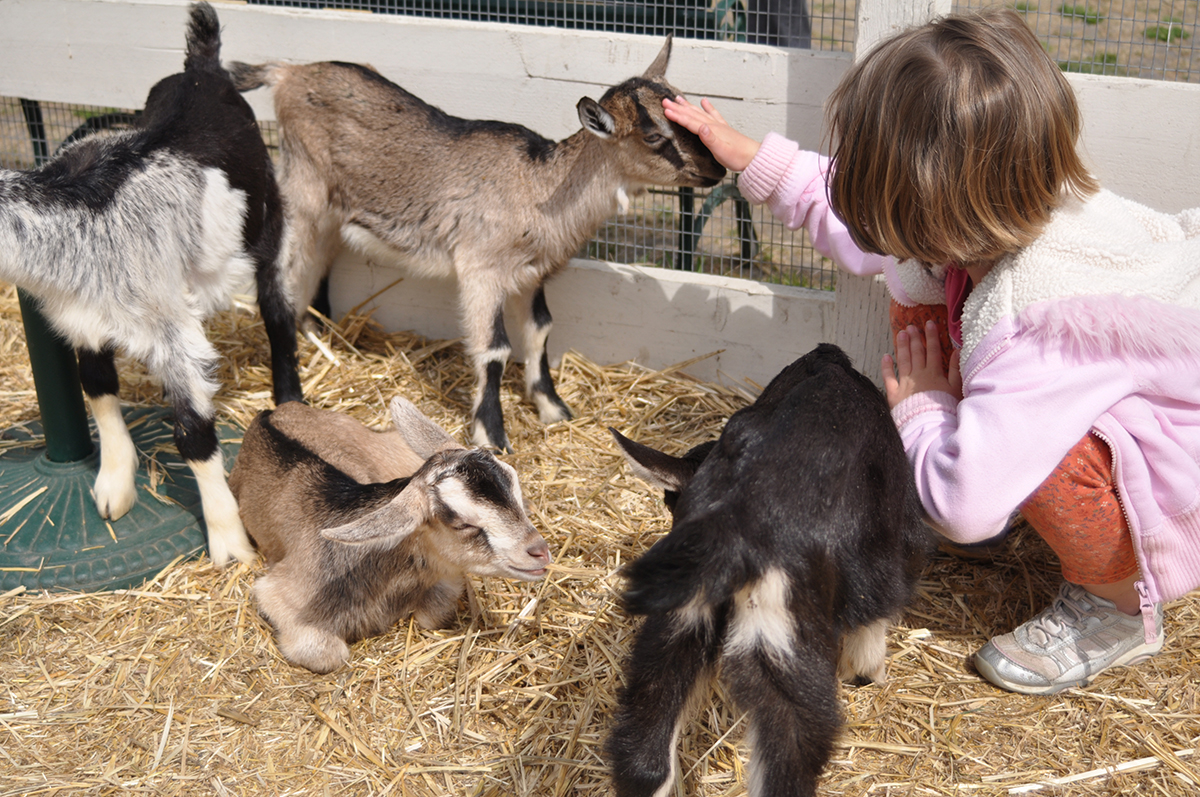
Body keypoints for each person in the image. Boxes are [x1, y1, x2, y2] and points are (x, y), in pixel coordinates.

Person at [663, 8, 1200, 695]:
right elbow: (861, 215)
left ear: (932, 211)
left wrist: (925, 409)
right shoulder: (999, 209)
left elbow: (961, 505)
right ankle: (1001, 468)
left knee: (1058, 461)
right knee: (911, 288)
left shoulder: (1036, 321)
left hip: (1174, 476)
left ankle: (1117, 606)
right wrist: (748, 156)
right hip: (1085, 390)